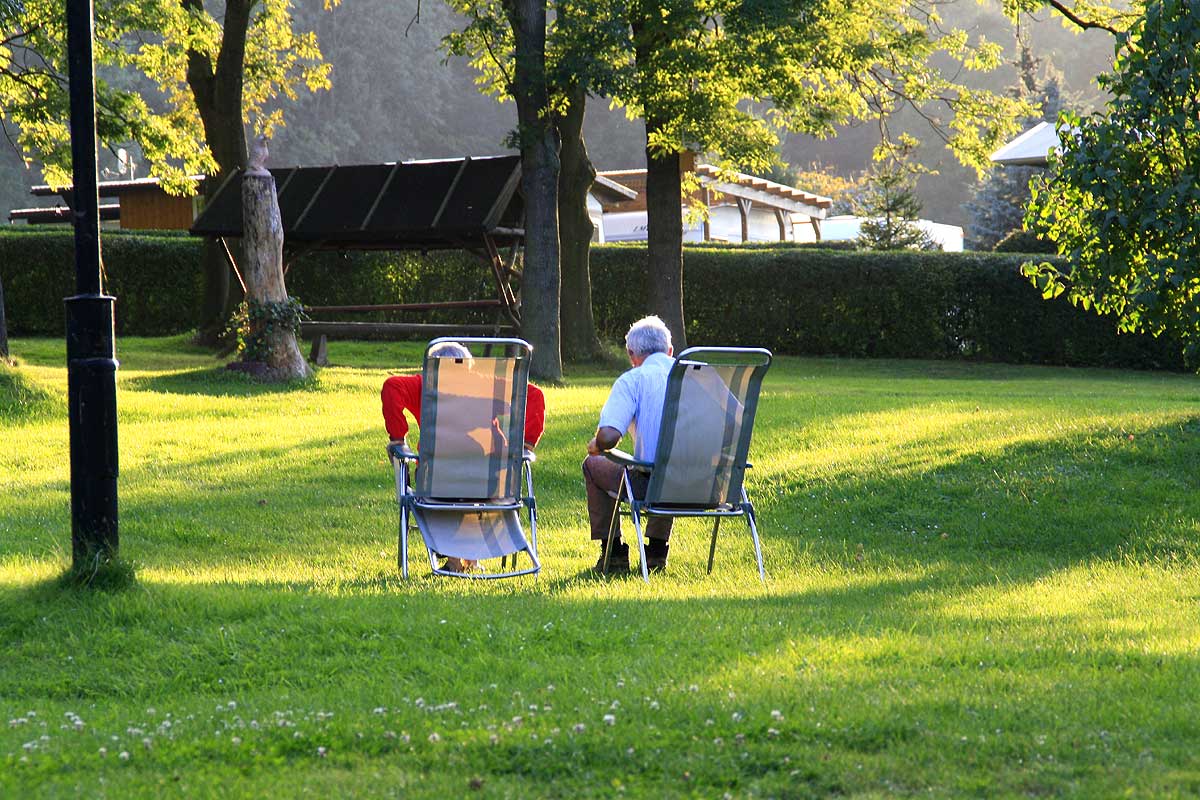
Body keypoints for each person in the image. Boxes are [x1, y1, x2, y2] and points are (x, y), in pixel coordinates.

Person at [382, 341, 546, 572]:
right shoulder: (487, 384)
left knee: (448, 490)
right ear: (470, 366)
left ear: (434, 368)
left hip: (436, 483)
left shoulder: (426, 386)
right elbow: (535, 395)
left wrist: (398, 438)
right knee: (469, 488)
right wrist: (525, 445)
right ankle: (467, 559)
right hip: (491, 483)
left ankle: (457, 560)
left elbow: (392, 386)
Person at [583, 315, 675, 574]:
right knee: (671, 462)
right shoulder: (702, 376)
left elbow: (608, 437)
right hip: (711, 486)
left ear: (631, 354)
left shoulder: (634, 380)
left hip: (655, 488)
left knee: (593, 464)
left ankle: (613, 553)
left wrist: (597, 444)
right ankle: (656, 551)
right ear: (670, 351)